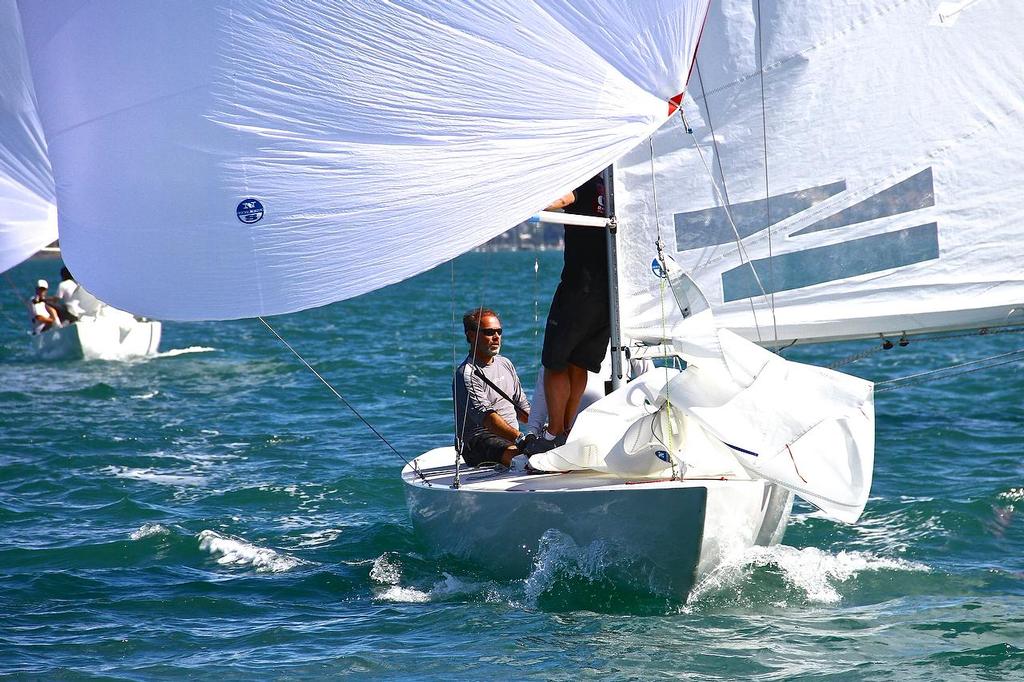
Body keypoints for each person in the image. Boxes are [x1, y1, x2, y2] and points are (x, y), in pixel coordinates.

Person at [538, 172, 610, 445]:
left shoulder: (584, 179)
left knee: (555, 362)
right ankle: (567, 431)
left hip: (580, 286)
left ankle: (554, 432)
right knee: (578, 361)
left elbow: (563, 198)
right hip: (610, 290)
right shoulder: (614, 187)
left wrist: (522, 203)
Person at [453, 307, 532, 468]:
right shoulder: (466, 374)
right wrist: (520, 438)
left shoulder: (505, 363)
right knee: (526, 461)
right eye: (489, 332)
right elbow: (488, 419)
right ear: (471, 335)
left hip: (513, 439)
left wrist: (545, 429)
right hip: (480, 442)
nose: (496, 337)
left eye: (499, 331)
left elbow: (523, 409)